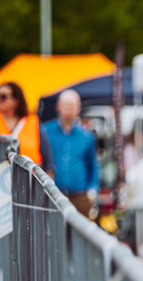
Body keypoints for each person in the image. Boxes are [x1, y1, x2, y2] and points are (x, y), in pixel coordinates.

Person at [0, 81, 54, 174]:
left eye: (3, 96)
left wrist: (48, 175)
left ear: (16, 100)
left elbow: (46, 155)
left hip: (30, 179)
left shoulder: (33, 122)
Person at [44, 89, 99, 219]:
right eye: (67, 106)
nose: (70, 111)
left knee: (80, 234)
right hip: (53, 193)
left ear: (78, 109)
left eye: (73, 107)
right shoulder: (45, 131)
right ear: (58, 107)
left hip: (79, 195)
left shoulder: (86, 135)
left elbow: (93, 164)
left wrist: (92, 189)